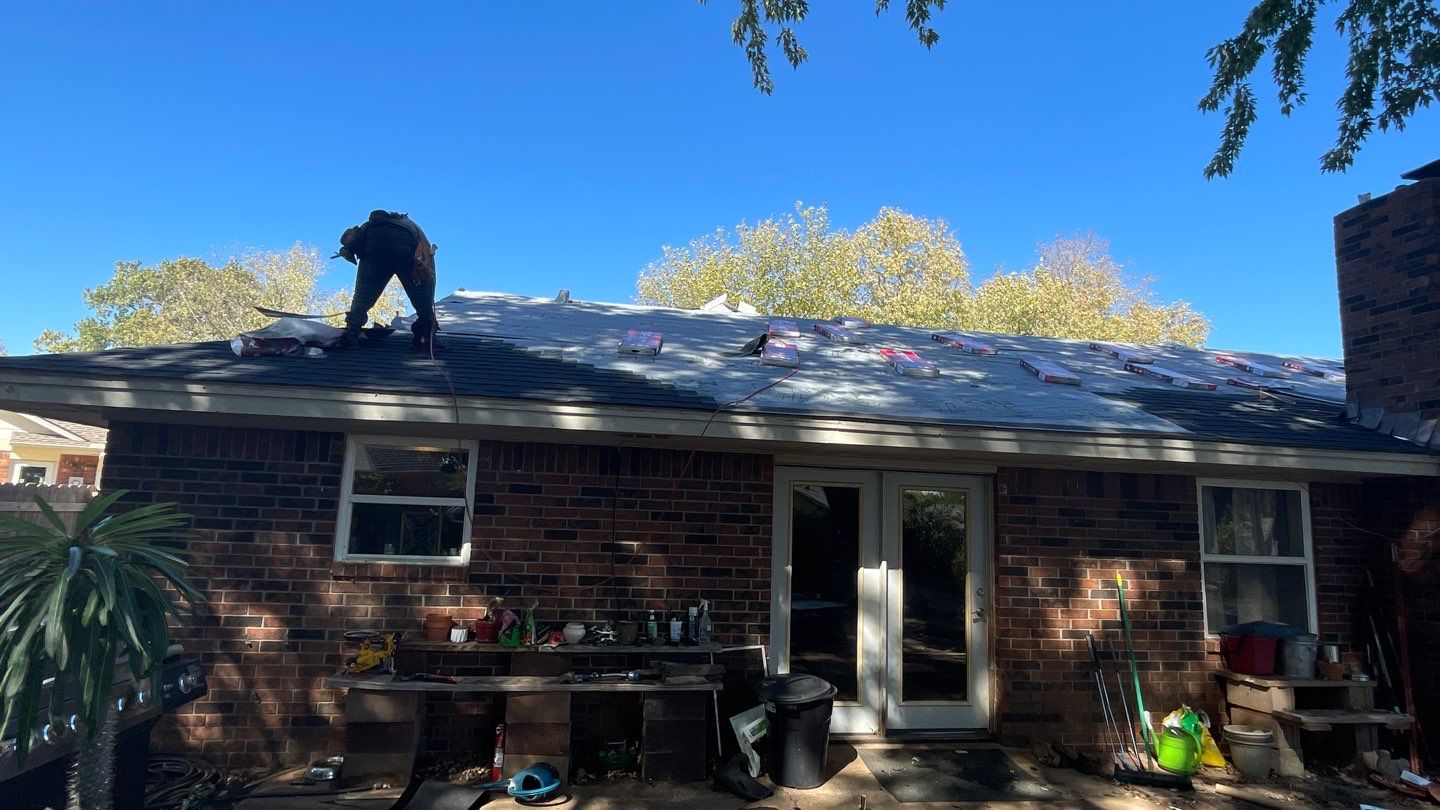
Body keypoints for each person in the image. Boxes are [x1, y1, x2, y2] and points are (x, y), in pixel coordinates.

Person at [334, 210, 439, 350]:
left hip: (373, 245)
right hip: (405, 245)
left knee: (363, 296)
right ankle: (427, 338)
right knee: (421, 295)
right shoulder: (411, 226)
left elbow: (352, 245)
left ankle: (352, 334)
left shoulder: (370, 226)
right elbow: (427, 273)